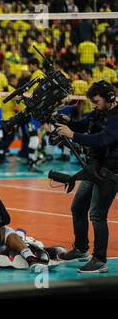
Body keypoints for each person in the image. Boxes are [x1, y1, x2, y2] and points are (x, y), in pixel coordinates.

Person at [55, 80, 118, 273]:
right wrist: (68, 122)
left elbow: (103, 138)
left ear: (110, 99)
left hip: (110, 173)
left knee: (98, 215)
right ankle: (81, 249)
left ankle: (100, 260)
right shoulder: (99, 113)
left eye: (96, 101)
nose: (94, 105)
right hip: (94, 169)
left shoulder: (117, 117)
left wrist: (72, 134)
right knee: (78, 207)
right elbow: (85, 125)